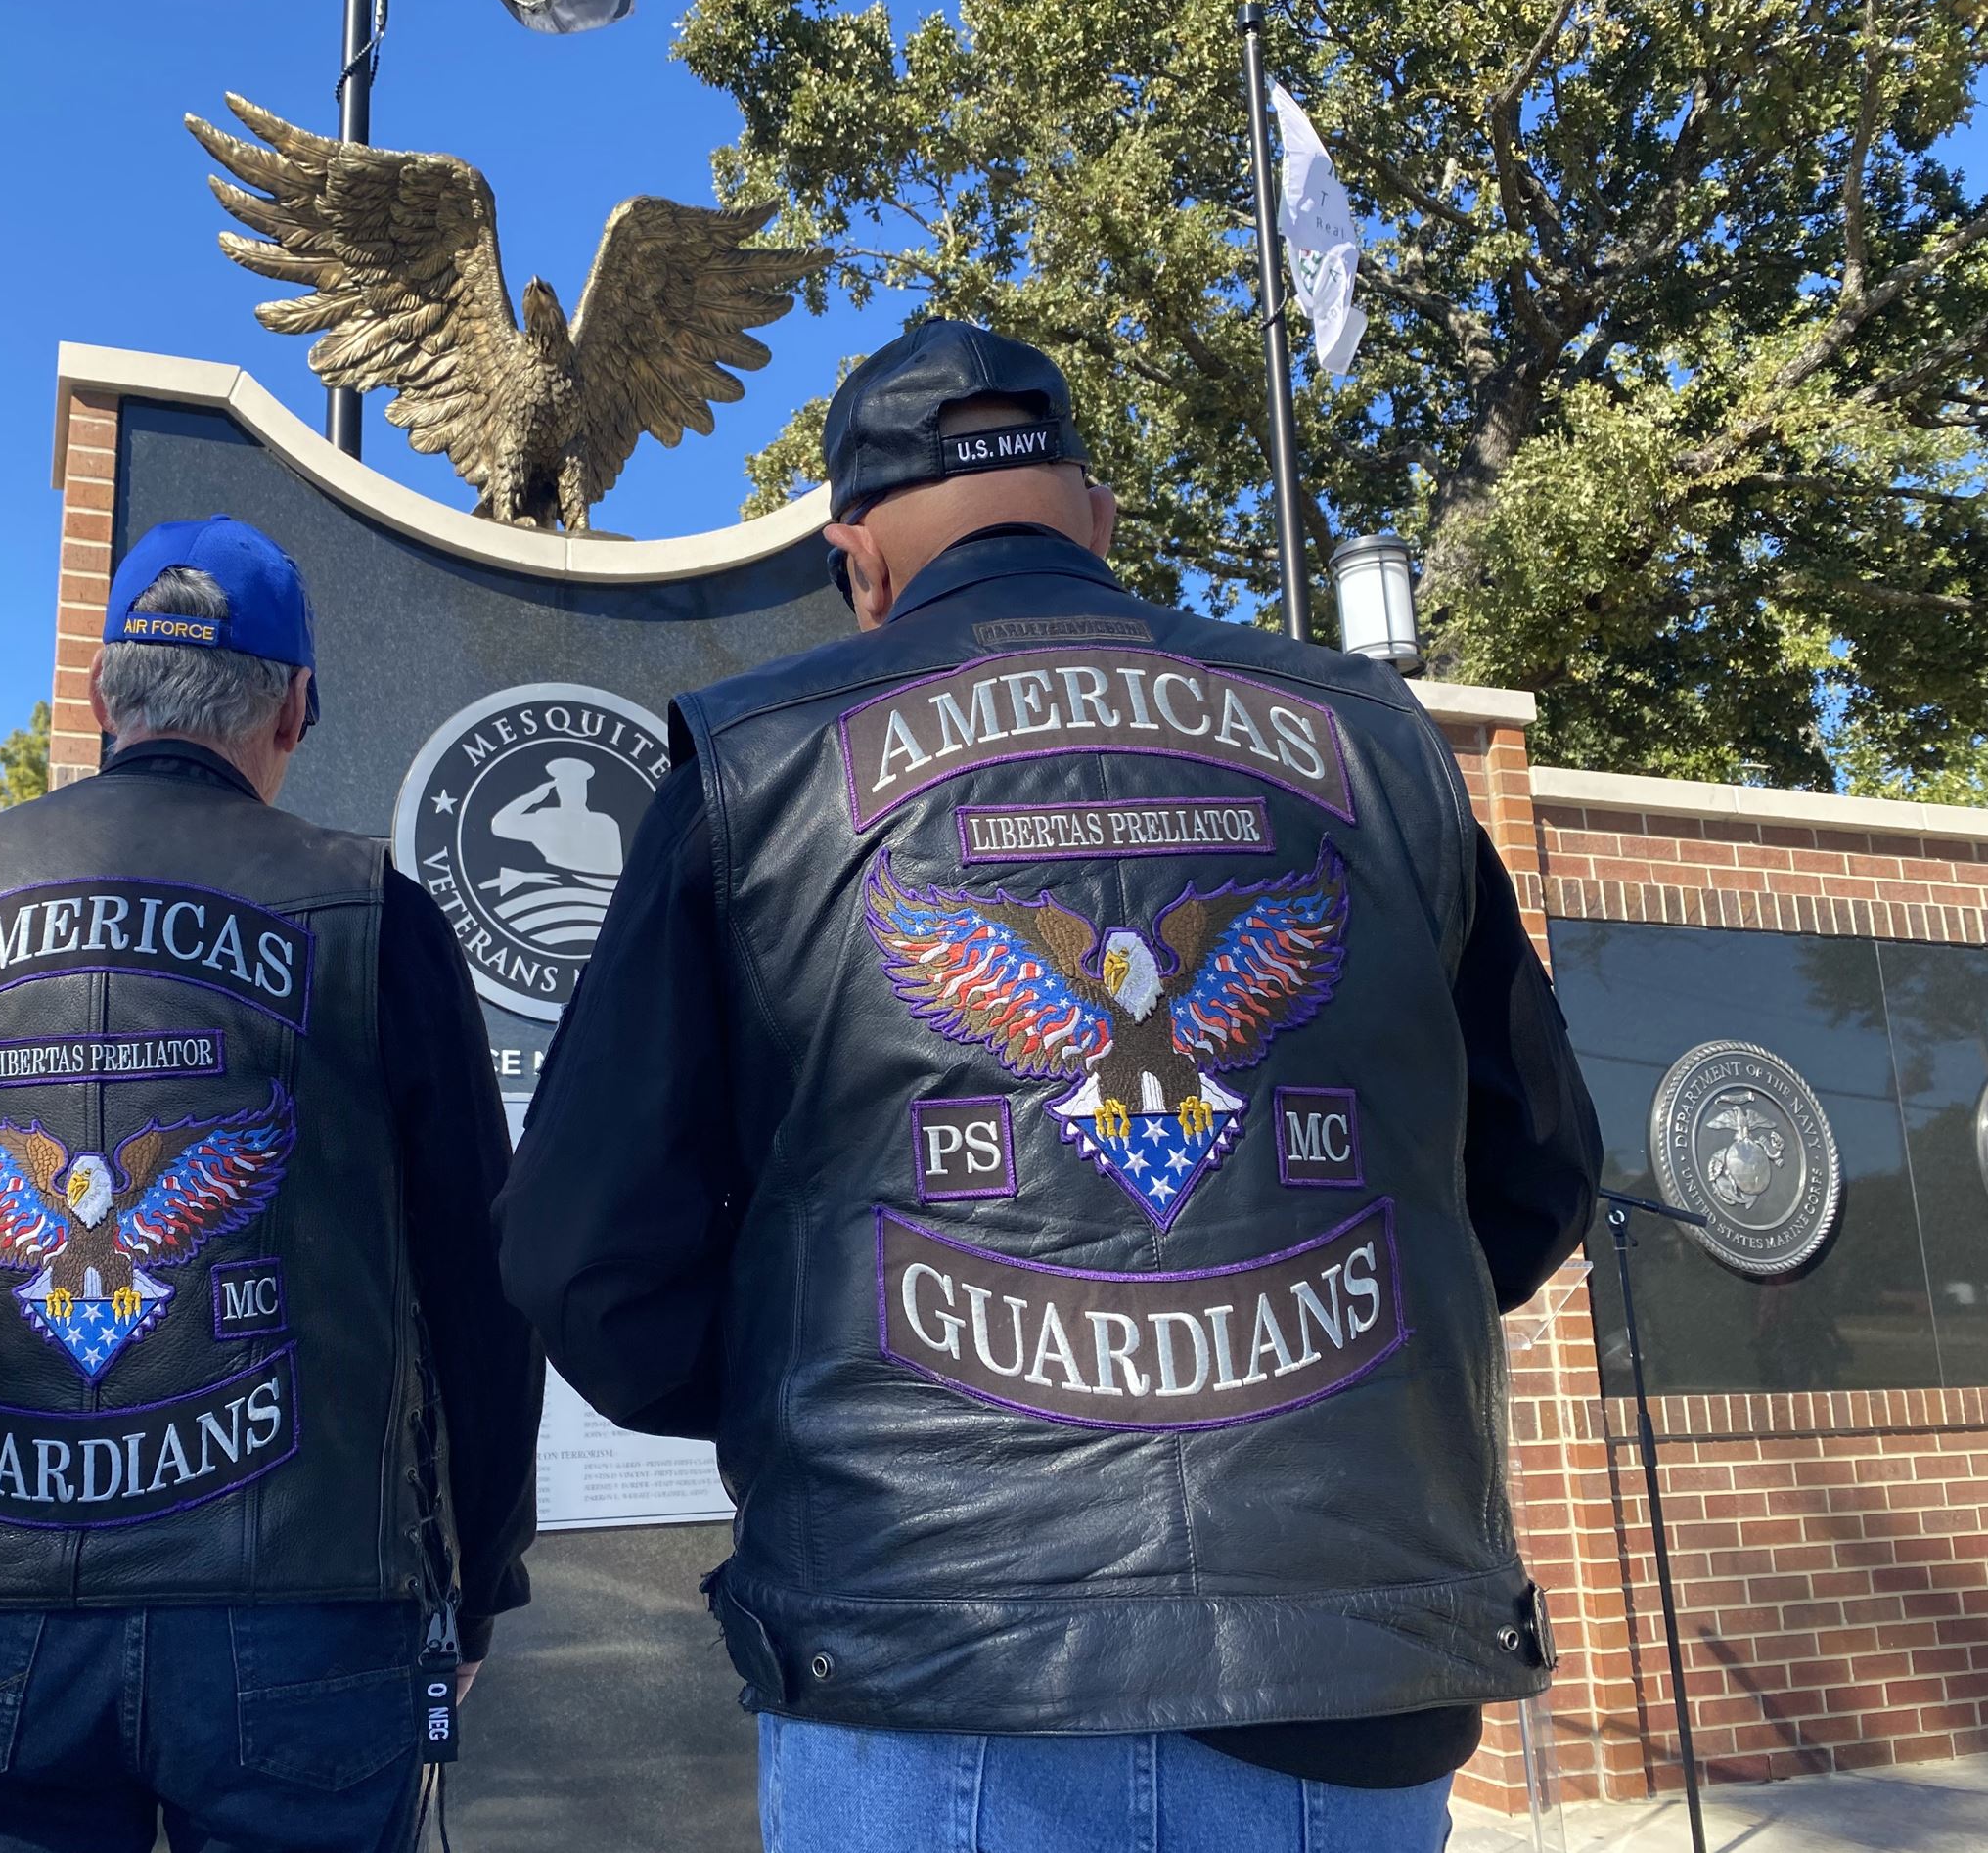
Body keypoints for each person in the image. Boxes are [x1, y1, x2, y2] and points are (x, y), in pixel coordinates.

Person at [498, 322, 1603, 1853]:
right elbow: (1537, 1170)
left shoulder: (756, 762)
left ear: (857, 561)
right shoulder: (1377, 743)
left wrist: (813, 1376)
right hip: (1340, 1671)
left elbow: (582, 1249)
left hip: (925, 1664)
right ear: (1097, 517)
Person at [0, 515, 544, 1853]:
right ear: (295, 708)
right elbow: (484, 1288)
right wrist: (475, 1576)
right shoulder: (373, 911)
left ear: (98, 695)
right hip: (303, 1606)